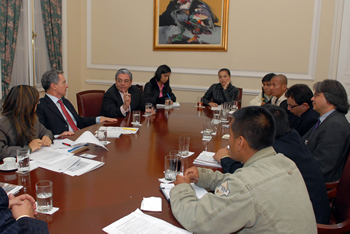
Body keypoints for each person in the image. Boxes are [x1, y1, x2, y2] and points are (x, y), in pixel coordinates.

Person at [170, 106, 316, 233]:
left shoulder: (245, 185)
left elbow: (196, 220)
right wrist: (204, 177)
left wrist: (182, 188)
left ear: (240, 142)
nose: (229, 142)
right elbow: (246, 183)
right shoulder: (285, 162)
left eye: (231, 136)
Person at [214, 105, 330, 224]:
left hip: (309, 221)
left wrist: (225, 159)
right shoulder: (291, 136)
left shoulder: (277, 152)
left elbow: (247, 177)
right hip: (303, 210)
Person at [37, 70, 117, 136]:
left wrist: (99, 119)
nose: (67, 86)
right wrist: (58, 136)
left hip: (80, 137)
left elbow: (79, 120)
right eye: (63, 83)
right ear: (54, 86)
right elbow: (41, 133)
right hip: (63, 144)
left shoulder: (65, 102)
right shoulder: (41, 105)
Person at [302, 79, 350, 182]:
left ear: (329, 98)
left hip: (318, 183)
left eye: (316, 95)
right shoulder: (327, 120)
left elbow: (323, 166)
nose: (312, 99)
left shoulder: (335, 125)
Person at [0, 85, 53, 160]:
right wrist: (27, 149)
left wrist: (47, 137)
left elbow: (46, 131)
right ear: (27, 105)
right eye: (36, 103)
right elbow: (1, 151)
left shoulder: (32, 118)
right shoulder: (3, 124)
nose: (36, 105)